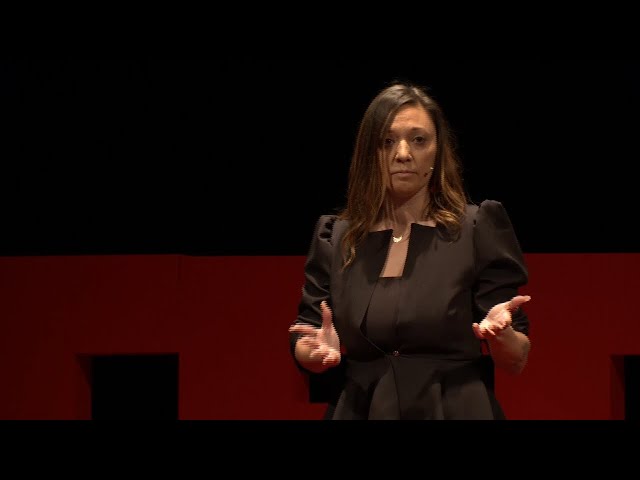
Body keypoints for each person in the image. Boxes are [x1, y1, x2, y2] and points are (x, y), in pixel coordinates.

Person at [288, 80, 532, 420]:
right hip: (363, 410)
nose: (403, 153)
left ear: (437, 150)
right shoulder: (337, 237)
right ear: (369, 152)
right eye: (387, 141)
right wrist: (312, 352)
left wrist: (501, 335)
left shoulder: (475, 229)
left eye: (418, 140)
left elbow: (516, 360)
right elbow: (307, 333)